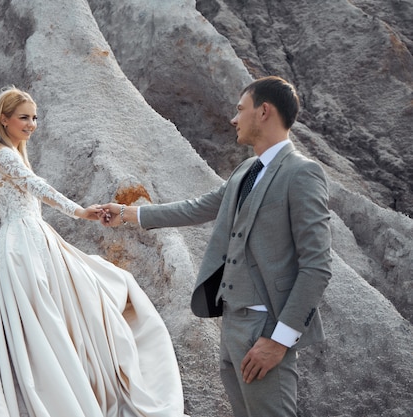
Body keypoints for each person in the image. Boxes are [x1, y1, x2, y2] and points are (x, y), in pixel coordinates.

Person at [0, 86, 185, 417]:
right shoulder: (3, 155)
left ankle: (64, 370)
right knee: (49, 308)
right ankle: (62, 379)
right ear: (4, 120)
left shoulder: (5, 154)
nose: (32, 124)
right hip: (24, 241)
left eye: (34, 117)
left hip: (30, 239)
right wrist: (81, 211)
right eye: (24, 118)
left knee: (55, 304)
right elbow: (39, 188)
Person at [101, 76, 332, 417]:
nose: (233, 119)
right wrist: (129, 213)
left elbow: (317, 265)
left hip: (266, 329)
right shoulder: (245, 171)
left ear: (264, 111)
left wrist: (280, 340)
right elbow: (197, 207)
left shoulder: (302, 173)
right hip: (232, 324)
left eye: (241, 110)